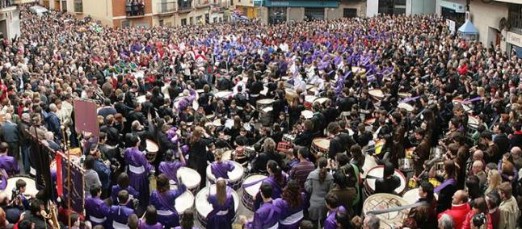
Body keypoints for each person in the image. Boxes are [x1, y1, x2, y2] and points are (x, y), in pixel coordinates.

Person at [305, 157, 333, 228]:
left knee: (313, 224)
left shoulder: (312, 174)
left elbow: (308, 188)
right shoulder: (330, 177)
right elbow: (331, 192)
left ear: (318, 163)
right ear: (326, 164)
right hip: (325, 204)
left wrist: (312, 189)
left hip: (313, 203)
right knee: (323, 222)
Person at [124, 135, 153, 205]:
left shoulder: (127, 150)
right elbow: (146, 165)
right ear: (137, 143)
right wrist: (152, 168)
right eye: (139, 140)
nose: (140, 140)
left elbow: (128, 159)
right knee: (141, 189)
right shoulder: (140, 155)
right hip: (140, 175)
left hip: (131, 173)